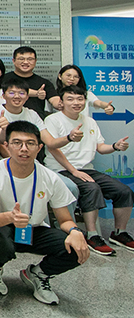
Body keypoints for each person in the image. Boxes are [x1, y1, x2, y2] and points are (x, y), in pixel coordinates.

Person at [0, 120, 88, 305]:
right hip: (1, 226)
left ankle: (38, 274)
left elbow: (64, 220)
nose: (24, 149)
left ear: (39, 148)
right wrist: (10, 217)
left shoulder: (50, 178)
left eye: (30, 143)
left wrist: (75, 232)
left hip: (34, 229)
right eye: (17, 143)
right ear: (6, 146)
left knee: (75, 248)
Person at [43, 85, 134, 255]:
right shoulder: (53, 120)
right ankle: (92, 235)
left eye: (80, 99)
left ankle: (119, 233)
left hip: (86, 169)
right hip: (60, 169)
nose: (76, 102)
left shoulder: (89, 121)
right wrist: (73, 170)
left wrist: (115, 146)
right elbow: (53, 148)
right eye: (70, 99)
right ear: (61, 102)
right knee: (91, 188)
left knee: (123, 191)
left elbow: (100, 147)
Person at [0, 77, 45, 148]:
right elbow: (0, 143)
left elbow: (48, 139)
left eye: (21, 93)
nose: (17, 96)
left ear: (27, 97)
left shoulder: (32, 114)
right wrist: (4, 130)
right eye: (11, 93)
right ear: (3, 96)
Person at [9, 46, 57, 119]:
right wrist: (37, 93)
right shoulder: (4, 79)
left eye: (30, 59)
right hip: (10, 119)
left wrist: (59, 103)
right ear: (13, 61)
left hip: (36, 121)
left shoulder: (44, 82)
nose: (25, 62)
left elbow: (54, 98)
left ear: (35, 61)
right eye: (21, 59)